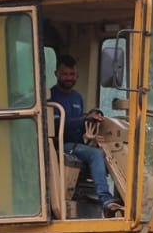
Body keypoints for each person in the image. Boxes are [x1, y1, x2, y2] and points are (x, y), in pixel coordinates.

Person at [49, 55, 122, 215]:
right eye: (65, 74)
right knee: (95, 154)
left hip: (77, 145)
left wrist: (92, 133)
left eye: (72, 74)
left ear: (77, 75)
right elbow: (57, 125)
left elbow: (79, 125)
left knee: (107, 151)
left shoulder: (77, 97)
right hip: (61, 145)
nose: (69, 78)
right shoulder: (51, 97)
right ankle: (105, 198)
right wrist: (85, 119)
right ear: (56, 74)